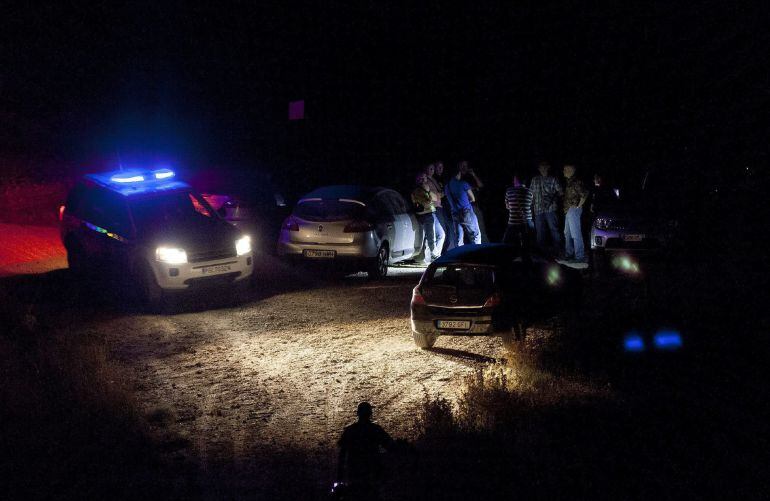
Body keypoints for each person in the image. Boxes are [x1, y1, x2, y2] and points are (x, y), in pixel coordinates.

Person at [336, 402, 394, 499]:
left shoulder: (350, 430)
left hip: (354, 474)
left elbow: (342, 455)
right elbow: (391, 447)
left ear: (358, 414)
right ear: (370, 414)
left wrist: (339, 477)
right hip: (372, 475)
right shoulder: (376, 430)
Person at [444, 161, 481, 246]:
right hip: (466, 211)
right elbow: (473, 199)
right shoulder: (463, 184)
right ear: (459, 172)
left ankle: (459, 257)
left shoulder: (447, 186)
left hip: (455, 213)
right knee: (475, 235)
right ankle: (478, 254)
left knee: (459, 238)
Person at [530, 161, 563, 256]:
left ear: (548, 167)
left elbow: (560, 192)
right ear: (539, 168)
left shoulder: (553, 179)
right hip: (538, 209)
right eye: (541, 167)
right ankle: (541, 252)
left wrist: (552, 197)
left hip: (551, 209)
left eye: (545, 166)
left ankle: (557, 251)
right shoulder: (534, 179)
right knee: (540, 231)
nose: (543, 168)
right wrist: (531, 209)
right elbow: (531, 195)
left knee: (554, 229)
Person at [411, 172, 444, 264]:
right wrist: (428, 193)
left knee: (441, 235)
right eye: (421, 178)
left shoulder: (426, 188)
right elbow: (426, 202)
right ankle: (435, 257)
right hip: (425, 215)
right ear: (417, 180)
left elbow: (435, 198)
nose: (423, 180)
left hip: (432, 214)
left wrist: (429, 191)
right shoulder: (417, 191)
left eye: (424, 178)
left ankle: (433, 256)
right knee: (431, 237)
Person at [503, 172, 534, 260]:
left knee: (506, 242)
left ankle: (509, 259)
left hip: (513, 222)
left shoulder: (509, 191)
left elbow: (507, 206)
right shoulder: (530, 192)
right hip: (527, 222)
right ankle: (527, 261)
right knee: (527, 244)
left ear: (516, 180)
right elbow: (531, 205)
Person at [562, 164, 588, 263]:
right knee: (567, 233)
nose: (563, 171)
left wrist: (578, 206)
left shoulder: (576, 182)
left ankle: (579, 256)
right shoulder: (569, 182)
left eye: (565, 169)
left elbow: (584, 194)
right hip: (568, 210)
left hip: (573, 210)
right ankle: (569, 254)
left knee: (575, 233)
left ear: (571, 171)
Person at [460, 161, 489, 243]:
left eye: (465, 165)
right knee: (472, 232)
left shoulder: (471, 177)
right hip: (467, 207)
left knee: (481, 227)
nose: (464, 167)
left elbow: (481, 185)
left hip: (475, 205)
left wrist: (474, 175)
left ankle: (484, 246)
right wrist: (472, 189)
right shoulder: (459, 178)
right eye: (462, 165)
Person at [423, 163, 449, 255]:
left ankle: (435, 256)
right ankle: (432, 256)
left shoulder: (433, 180)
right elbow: (432, 196)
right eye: (430, 169)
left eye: (433, 169)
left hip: (435, 209)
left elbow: (438, 193)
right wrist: (439, 195)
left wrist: (439, 194)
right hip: (431, 209)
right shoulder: (425, 181)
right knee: (432, 235)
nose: (432, 171)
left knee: (440, 234)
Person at [434, 160, 455, 250]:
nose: (440, 169)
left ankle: (445, 250)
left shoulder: (445, 178)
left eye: (441, 167)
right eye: (438, 167)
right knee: (442, 230)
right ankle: (440, 251)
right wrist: (442, 193)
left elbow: (448, 192)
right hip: (438, 207)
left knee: (450, 229)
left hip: (447, 206)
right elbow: (438, 194)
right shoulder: (433, 179)